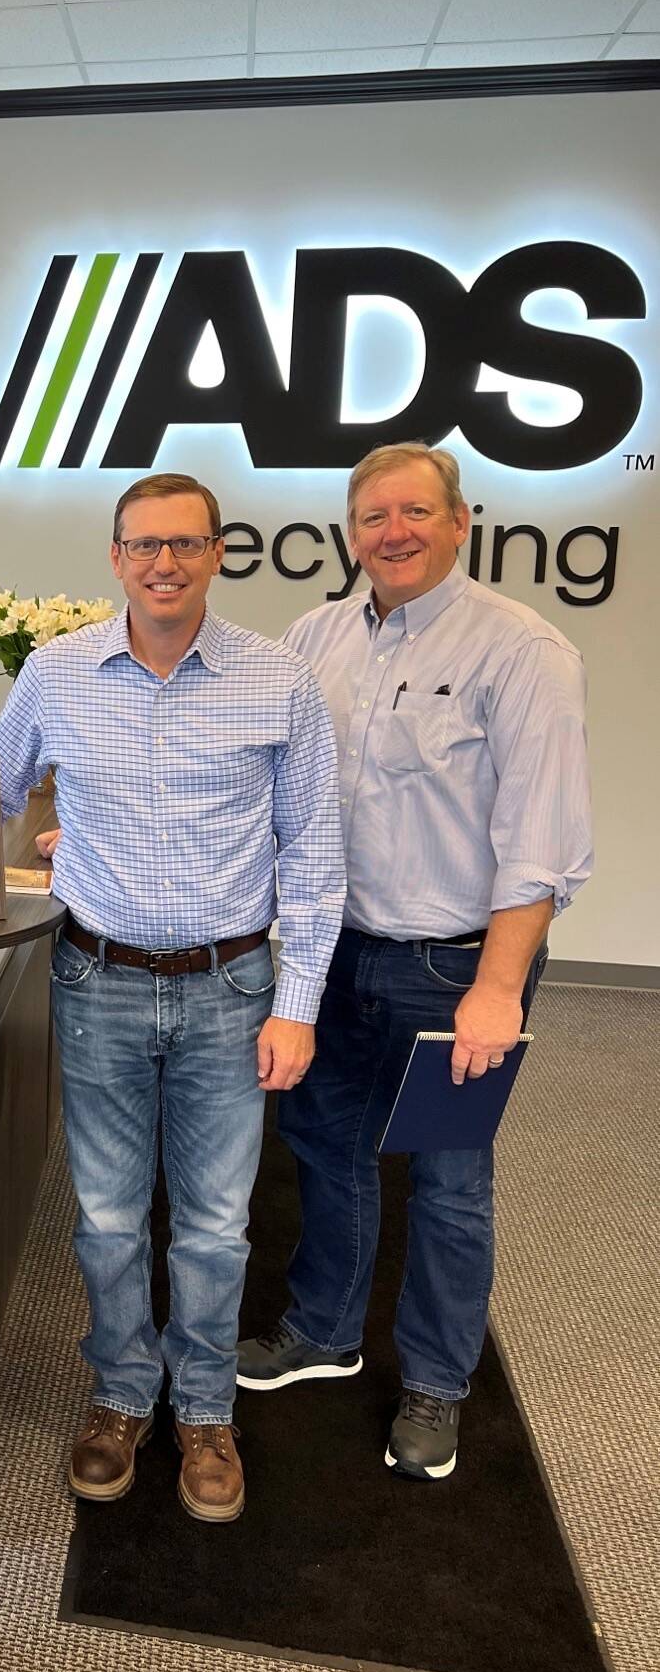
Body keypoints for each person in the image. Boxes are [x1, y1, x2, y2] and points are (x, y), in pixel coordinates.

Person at [0, 473, 344, 1524]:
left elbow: (316, 850)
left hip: (234, 986)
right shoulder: (56, 673)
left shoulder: (279, 680)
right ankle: (121, 1391)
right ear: (115, 556)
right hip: (96, 978)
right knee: (103, 1216)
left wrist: (299, 1003)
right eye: (144, 545)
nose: (164, 563)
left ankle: (203, 1406)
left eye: (185, 544)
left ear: (217, 552)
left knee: (217, 1223)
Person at [237, 442, 592, 1481]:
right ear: (352, 531)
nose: (392, 532)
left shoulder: (523, 651)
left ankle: (437, 1379)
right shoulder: (314, 637)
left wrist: (495, 986)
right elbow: (270, 787)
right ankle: (325, 1330)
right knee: (327, 1144)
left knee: (447, 1177)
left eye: (413, 512)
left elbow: (543, 839)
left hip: (456, 972)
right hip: (335, 953)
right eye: (373, 515)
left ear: (458, 520)